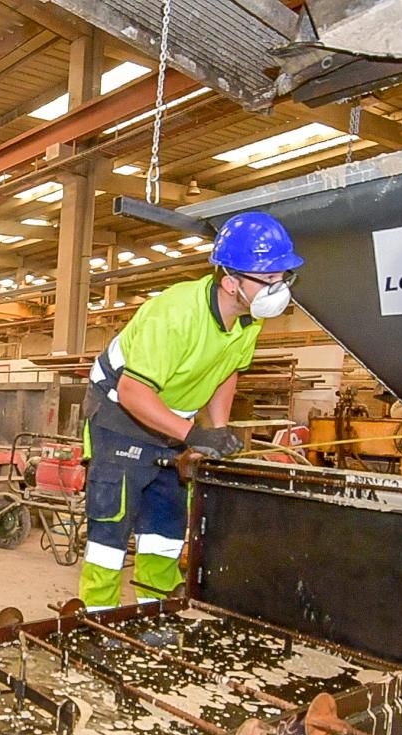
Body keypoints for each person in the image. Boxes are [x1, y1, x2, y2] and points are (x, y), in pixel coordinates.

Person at [78, 213, 303, 609]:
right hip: (120, 417)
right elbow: (133, 392)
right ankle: (96, 619)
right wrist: (192, 434)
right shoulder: (175, 314)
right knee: (111, 528)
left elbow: (226, 370)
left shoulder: (247, 319)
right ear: (231, 281)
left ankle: (156, 610)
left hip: (171, 425)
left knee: (165, 528)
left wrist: (215, 431)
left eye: (283, 278)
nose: (278, 290)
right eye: (268, 280)